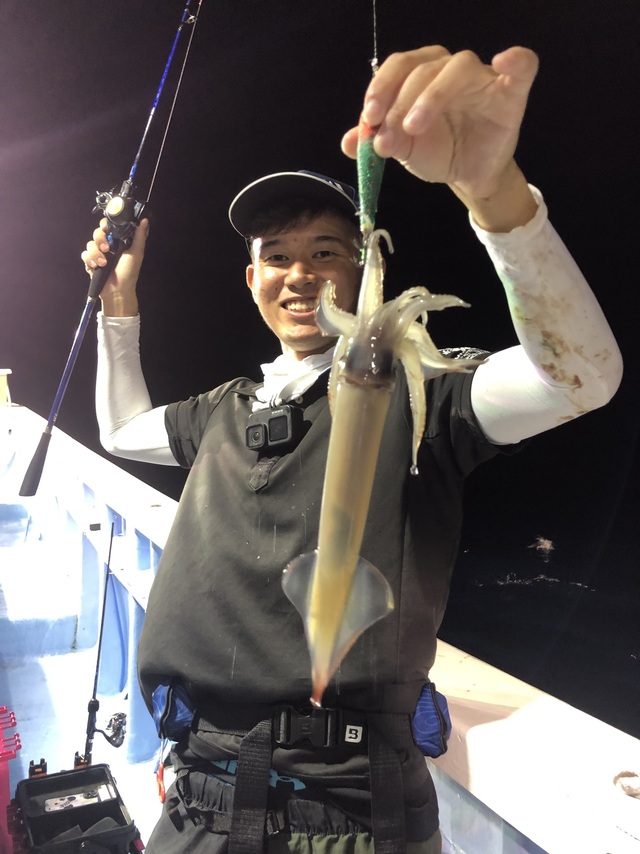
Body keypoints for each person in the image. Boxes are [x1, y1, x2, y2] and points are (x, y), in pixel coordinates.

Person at [83, 46, 622, 853]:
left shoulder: (423, 394)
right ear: (252, 281)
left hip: (353, 815)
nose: (299, 274)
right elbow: (122, 429)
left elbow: (581, 378)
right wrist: (118, 301)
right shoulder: (223, 410)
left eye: (325, 251)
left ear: (367, 263)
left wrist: (498, 199)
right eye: (276, 256)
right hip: (197, 799)